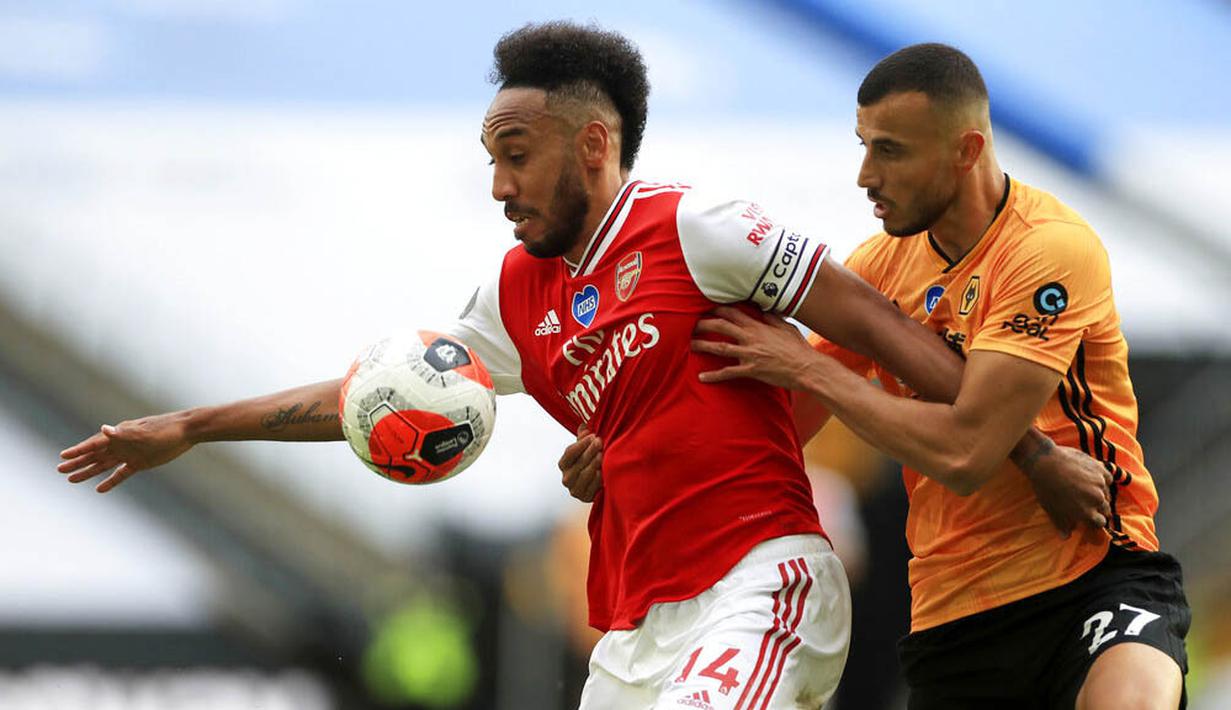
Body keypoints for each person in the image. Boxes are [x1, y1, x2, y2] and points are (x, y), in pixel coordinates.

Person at [57, 26, 1108, 708]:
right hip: (633, 631)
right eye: (490, 159)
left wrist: (1029, 450)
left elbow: (882, 328)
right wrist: (190, 425)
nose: (499, 182)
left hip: (762, 576)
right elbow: (366, 399)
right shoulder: (514, 298)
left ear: (595, 146)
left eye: (516, 153)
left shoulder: (699, 226)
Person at [687, 44, 1191, 709]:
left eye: (890, 151)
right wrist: (629, 445)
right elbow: (771, 431)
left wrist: (812, 368)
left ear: (966, 149)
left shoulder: (1046, 249)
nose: (865, 174)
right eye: (862, 146)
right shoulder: (878, 267)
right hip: (954, 614)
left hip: (1093, 573)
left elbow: (965, 451)